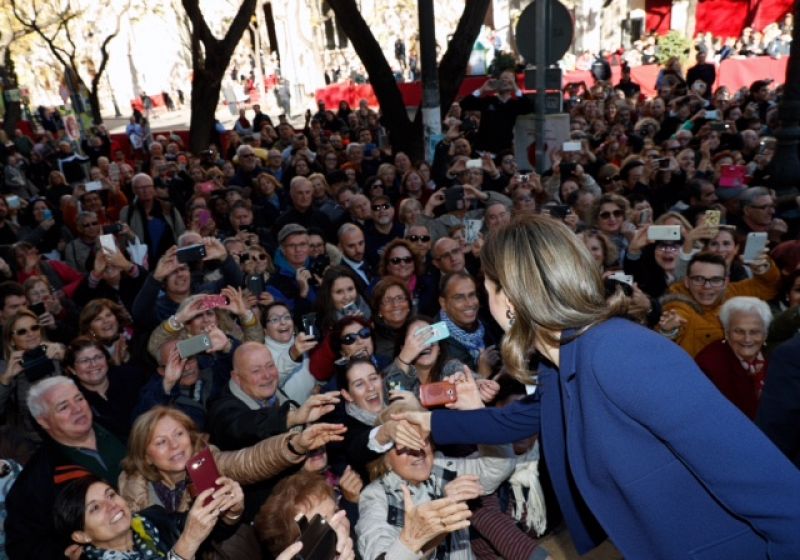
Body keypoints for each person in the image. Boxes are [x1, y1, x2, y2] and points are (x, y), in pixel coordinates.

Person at [394, 216, 800, 560]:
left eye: (488, 286)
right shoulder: (560, 363)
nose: (486, 300)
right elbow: (515, 421)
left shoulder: (619, 351)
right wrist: (427, 422)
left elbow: (771, 489)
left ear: (512, 295)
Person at [356, 398, 516, 560]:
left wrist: (478, 413)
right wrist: (442, 517)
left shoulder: (442, 468)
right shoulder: (375, 497)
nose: (417, 450)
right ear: (386, 461)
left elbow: (499, 466)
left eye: (421, 439)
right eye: (404, 445)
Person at [4, 376, 128, 559]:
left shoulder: (122, 427)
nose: (77, 408)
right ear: (43, 421)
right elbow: (21, 546)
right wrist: (63, 553)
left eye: (79, 398)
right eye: (63, 407)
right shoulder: (37, 482)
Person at [54, 474, 244, 560]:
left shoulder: (151, 519)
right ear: (81, 536)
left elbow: (210, 531)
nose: (111, 505)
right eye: (95, 508)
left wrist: (230, 510)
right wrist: (186, 544)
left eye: (111, 495)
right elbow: (191, 536)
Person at [695, 297, 771, 419]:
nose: (747, 339)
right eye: (739, 331)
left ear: (765, 334)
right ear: (726, 332)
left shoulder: (774, 358)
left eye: (754, 332)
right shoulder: (709, 363)